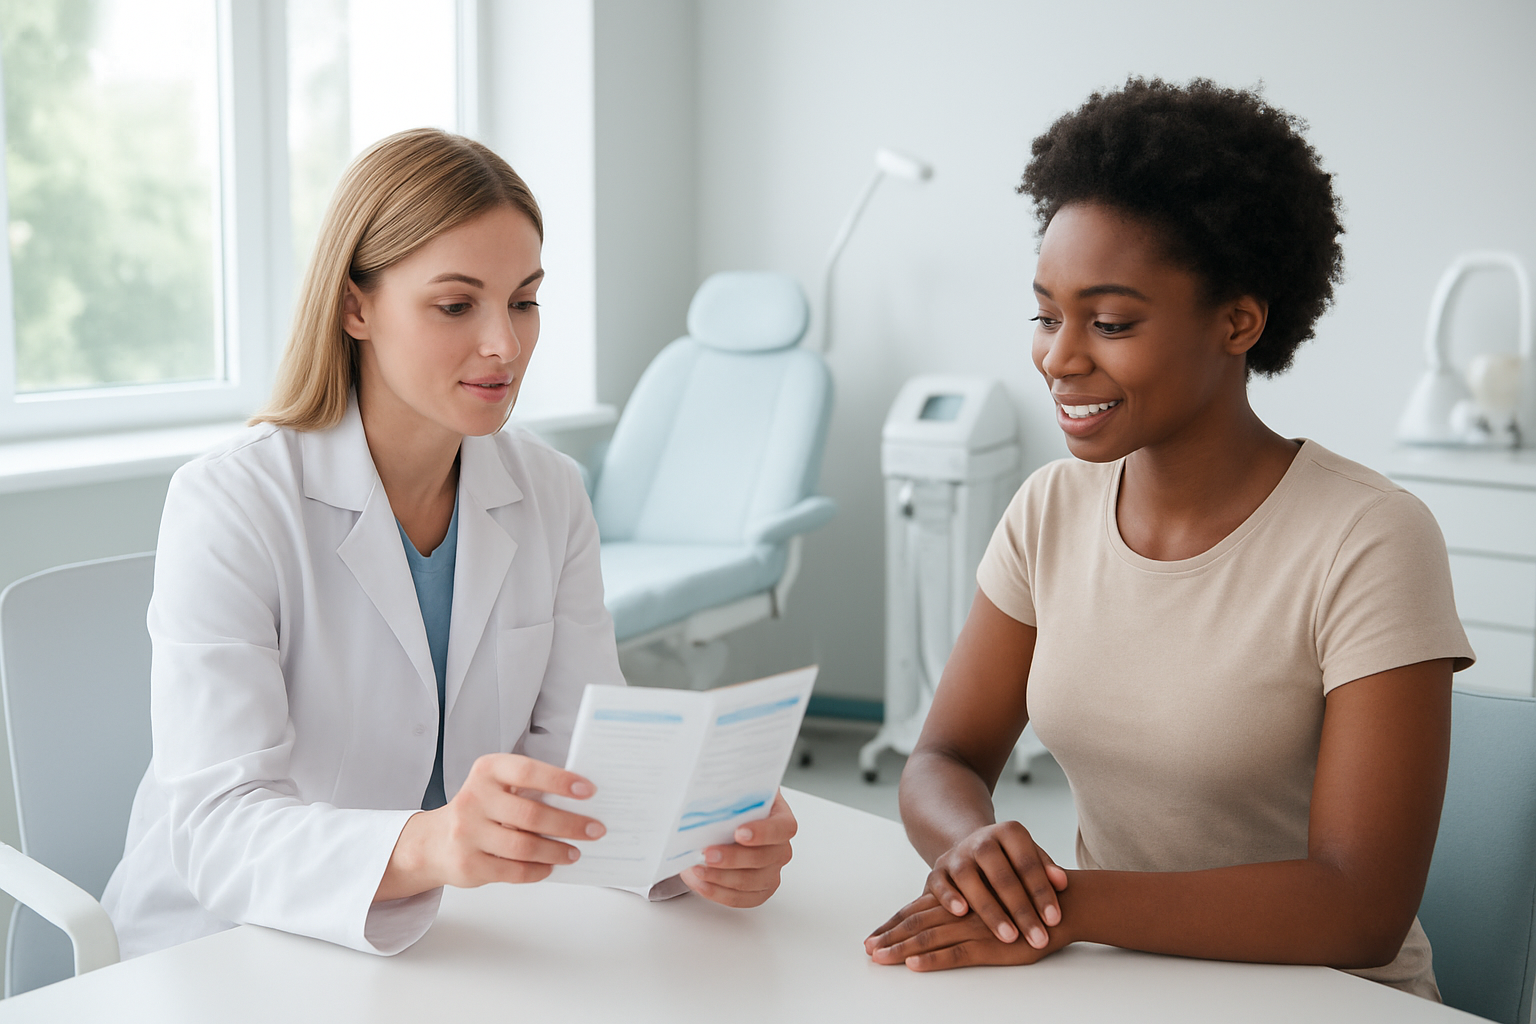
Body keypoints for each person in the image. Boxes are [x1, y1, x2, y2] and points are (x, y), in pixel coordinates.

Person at [102, 128, 796, 958]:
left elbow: (581, 755)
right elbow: (218, 830)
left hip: (454, 940)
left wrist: (694, 841)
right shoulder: (232, 502)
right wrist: (429, 844)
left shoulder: (548, 491)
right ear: (356, 306)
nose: (504, 344)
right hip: (226, 946)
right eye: (456, 305)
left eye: (525, 300)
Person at [864, 78, 1473, 1000]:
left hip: (1334, 998)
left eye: (1110, 323)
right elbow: (943, 760)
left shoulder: (1370, 539)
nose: (1060, 357)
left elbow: (1360, 904)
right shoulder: (1049, 510)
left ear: (1239, 321)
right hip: (1131, 986)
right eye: (1045, 313)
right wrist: (978, 854)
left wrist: (1064, 908)